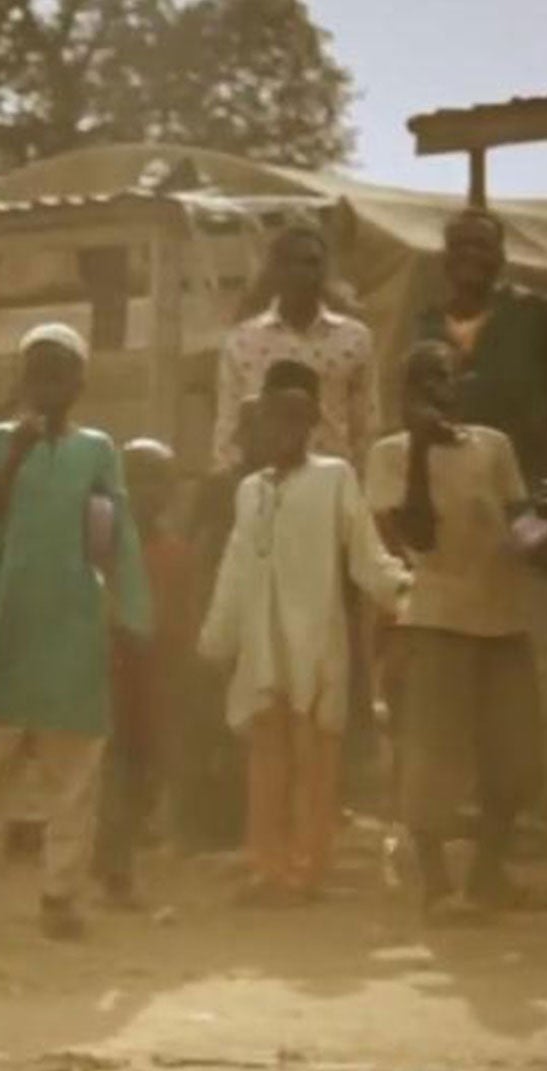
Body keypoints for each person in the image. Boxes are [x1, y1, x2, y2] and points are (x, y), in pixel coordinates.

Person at [0, 324, 150, 941]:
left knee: (73, 778)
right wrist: (16, 453)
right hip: (11, 630)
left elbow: (113, 535)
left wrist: (132, 614)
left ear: (78, 383)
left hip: (72, 630)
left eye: (58, 373)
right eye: (35, 372)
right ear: (21, 380)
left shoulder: (98, 450)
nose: (46, 385)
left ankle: (59, 896)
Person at [200, 366, 408, 903]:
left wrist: (406, 592)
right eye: (269, 421)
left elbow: (364, 553)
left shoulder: (334, 477)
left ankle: (306, 870)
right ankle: (266, 866)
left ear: (309, 426)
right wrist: (217, 636)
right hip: (262, 645)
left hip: (314, 639)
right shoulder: (250, 491)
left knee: (315, 760)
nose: (278, 432)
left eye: (290, 421)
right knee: (266, 760)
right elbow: (237, 564)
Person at [368, 342, 542, 918]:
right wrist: (420, 446)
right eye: (421, 382)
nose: (435, 390)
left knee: (511, 755)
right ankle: (438, 884)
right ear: (404, 395)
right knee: (434, 755)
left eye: (444, 377)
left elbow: (522, 522)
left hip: (502, 614)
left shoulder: (493, 445)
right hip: (438, 615)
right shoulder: (390, 455)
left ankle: (489, 871)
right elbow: (415, 537)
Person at [416, 208, 547, 836]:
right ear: (444, 253)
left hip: (527, 515)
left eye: (484, 246)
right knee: (466, 669)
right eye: (459, 244)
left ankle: (543, 808)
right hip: (455, 527)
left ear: (502, 255)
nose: (471, 256)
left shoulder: (535, 319)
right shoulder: (427, 326)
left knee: (535, 662)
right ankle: (476, 806)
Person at [93, 437, 193, 908]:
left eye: (162, 481)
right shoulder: (100, 546)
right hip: (111, 671)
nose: (152, 491)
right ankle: (114, 871)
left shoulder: (176, 551)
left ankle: (117, 858)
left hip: (156, 680)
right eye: (139, 479)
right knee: (115, 769)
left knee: (144, 771)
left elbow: (184, 620)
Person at [214, 220, 377, 473]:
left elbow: (366, 424)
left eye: (313, 263)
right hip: (266, 483)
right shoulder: (243, 341)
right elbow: (228, 427)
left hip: (331, 482)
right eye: (291, 263)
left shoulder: (353, 338)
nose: (304, 273)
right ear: (275, 270)